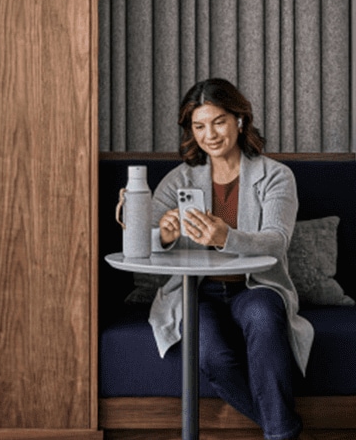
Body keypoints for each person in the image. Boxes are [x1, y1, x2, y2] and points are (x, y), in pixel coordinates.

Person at [149, 78, 312, 440]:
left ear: (240, 119)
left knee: (263, 318)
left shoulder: (276, 176)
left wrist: (226, 237)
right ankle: (284, 432)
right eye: (199, 126)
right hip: (197, 291)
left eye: (219, 121)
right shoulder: (178, 180)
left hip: (255, 287)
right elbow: (144, 238)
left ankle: (279, 436)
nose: (210, 134)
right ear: (191, 131)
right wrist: (163, 233)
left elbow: (276, 242)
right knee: (212, 358)